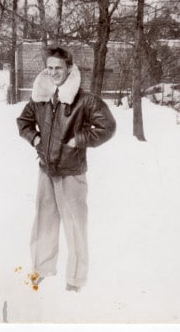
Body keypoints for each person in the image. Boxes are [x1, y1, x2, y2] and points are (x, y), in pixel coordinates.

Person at [17, 46, 116, 292]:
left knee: (75, 228)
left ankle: (75, 280)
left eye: (58, 68)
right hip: (46, 172)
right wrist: (36, 140)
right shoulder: (41, 97)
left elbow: (107, 127)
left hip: (72, 174)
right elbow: (23, 122)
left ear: (69, 68)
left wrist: (78, 140)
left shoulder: (84, 99)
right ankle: (41, 269)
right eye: (49, 68)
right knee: (44, 223)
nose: (53, 73)